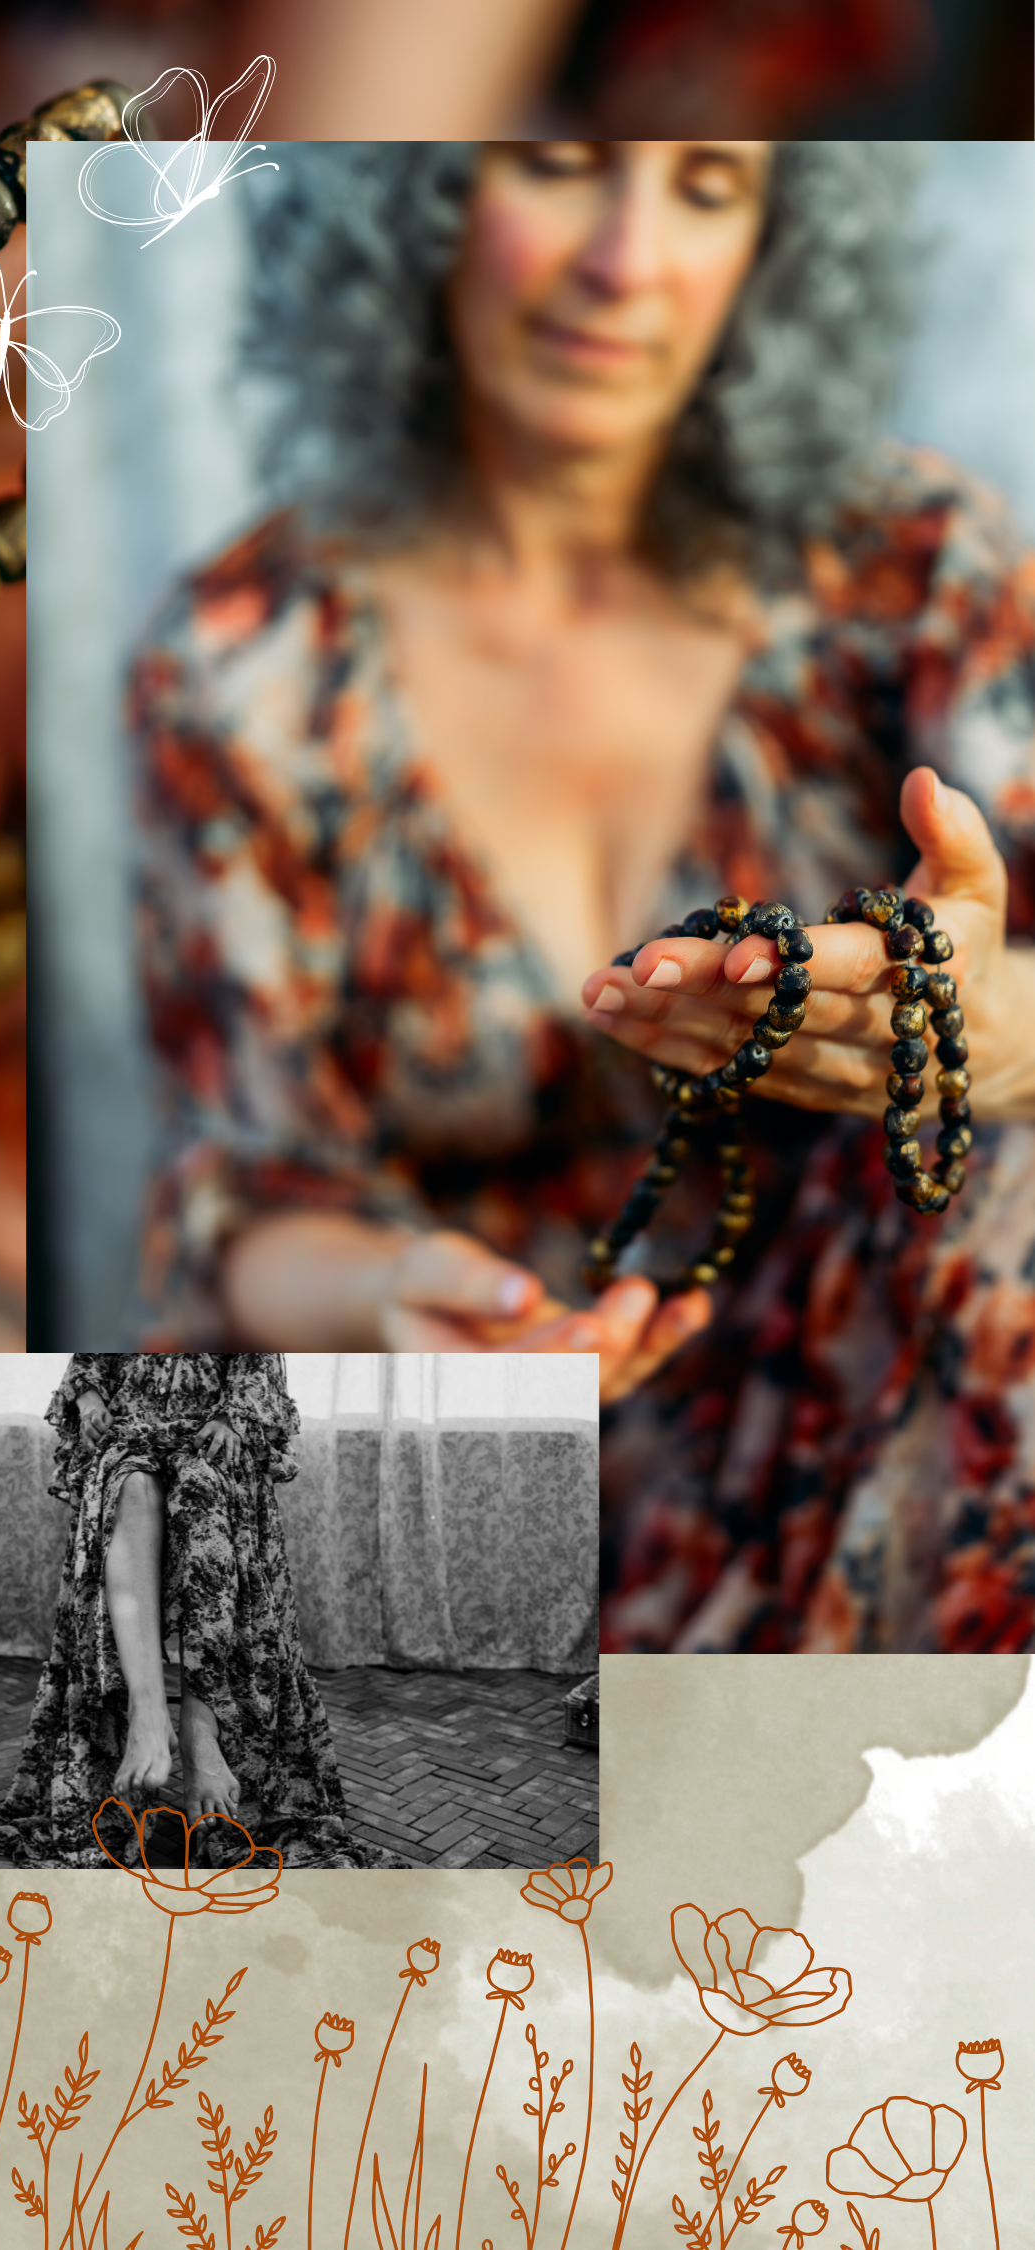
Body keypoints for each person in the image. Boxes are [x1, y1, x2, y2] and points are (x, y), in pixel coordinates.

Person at [127, 141, 1035, 1654]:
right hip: (485, 1481)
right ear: (405, 196)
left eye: (707, 186)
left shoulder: (915, 571)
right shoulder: (239, 661)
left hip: (893, 1390)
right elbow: (244, 1193)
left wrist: (991, 1029)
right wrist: (401, 1299)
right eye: (556, 166)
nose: (624, 261)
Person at [0, 1353, 398, 1868]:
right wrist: (88, 1402)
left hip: (211, 1433)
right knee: (129, 1483)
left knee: (202, 1496)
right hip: (129, 1432)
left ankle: (201, 1733)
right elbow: (89, 1362)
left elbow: (258, 1363)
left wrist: (230, 1417)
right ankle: (149, 1715)